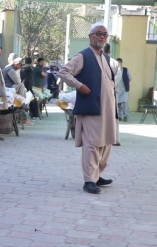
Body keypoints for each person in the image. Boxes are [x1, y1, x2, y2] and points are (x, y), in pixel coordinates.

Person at [59, 23, 116, 194]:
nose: (102, 37)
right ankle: (89, 181)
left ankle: (97, 175)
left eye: (105, 35)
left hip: (107, 110)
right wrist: (79, 85)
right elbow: (63, 72)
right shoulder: (83, 56)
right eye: (98, 34)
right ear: (90, 36)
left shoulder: (105, 57)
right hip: (92, 107)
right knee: (92, 144)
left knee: (106, 143)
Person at [103, 43, 122, 146]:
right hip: (113, 92)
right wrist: (111, 86)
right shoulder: (115, 62)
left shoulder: (97, 61)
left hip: (100, 92)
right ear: (109, 52)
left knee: (101, 114)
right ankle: (115, 139)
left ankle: (101, 137)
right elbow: (118, 76)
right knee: (114, 115)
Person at [116, 58, 132, 122]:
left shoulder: (126, 70)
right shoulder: (114, 70)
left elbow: (130, 78)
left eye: (119, 63)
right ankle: (119, 116)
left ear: (122, 63)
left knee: (125, 103)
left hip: (125, 89)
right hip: (117, 89)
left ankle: (126, 116)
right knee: (118, 103)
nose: (118, 64)